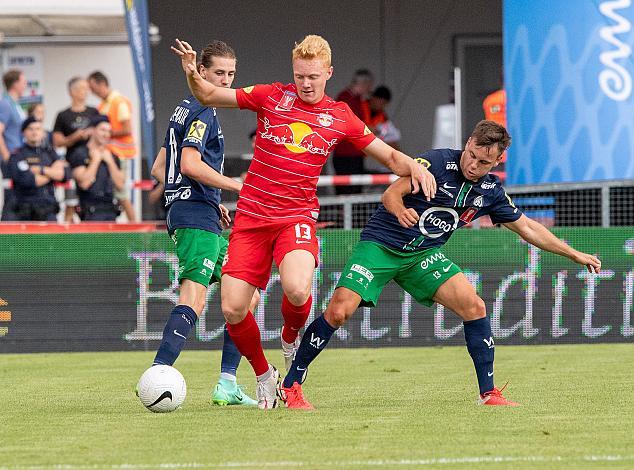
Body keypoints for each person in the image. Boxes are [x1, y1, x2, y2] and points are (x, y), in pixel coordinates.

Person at [172, 35, 436, 409]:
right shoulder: (270, 96)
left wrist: (419, 169)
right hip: (251, 216)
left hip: (295, 216)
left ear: (328, 72)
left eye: (313, 76)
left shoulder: (341, 115)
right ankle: (264, 377)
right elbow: (209, 96)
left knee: (297, 289)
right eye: (300, 76)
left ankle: (290, 336)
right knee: (232, 308)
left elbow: (390, 157)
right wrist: (188, 72)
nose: (306, 83)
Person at [282, 120, 602, 409]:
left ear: (497, 162)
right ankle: (292, 383)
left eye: (484, 162)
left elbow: (529, 227)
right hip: (380, 245)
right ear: (468, 143)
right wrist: (399, 211)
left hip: (423, 255)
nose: (474, 165)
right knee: (339, 311)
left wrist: (574, 254)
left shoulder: (490, 192)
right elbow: (391, 194)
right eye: (472, 155)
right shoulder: (435, 162)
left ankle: (488, 394)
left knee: (474, 306)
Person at [149, 40, 258, 406]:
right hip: (195, 215)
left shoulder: (181, 109)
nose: (226, 81)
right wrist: (233, 186)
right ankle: (157, 372)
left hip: (196, 211)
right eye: (219, 74)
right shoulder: (204, 110)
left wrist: (212, 200)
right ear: (203, 74)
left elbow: (159, 168)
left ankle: (227, 382)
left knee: (247, 293)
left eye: (231, 74)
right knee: (194, 298)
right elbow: (189, 165)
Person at [87, 71, 137, 222]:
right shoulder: (103, 104)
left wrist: (105, 133)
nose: (91, 91)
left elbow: (127, 128)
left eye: (93, 87)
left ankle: (137, 231)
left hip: (121, 153)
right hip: (107, 153)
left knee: (122, 194)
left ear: (101, 84)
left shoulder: (118, 102)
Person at [53, 77, 100, 222]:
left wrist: (93, 134)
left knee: (91, 195)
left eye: (86, 89)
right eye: (81, 88)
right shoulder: (63, 115)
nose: (85, 92)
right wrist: (74, 137)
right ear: (72, 92)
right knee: (71, 201)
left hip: (91, 159)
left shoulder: (93, 111)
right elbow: (57, 141)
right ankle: (69, 227)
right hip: (73, 160)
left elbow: (103, 131)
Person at [8, 117, 67, 221]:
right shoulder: (17, 155)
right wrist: (52, 173)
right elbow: (29, 181)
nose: (34, 132)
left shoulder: (50, 153)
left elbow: (64, 175)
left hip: (48, 210)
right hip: (26, 212)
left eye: (38, 129)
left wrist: (41, 170)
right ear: (23, 132)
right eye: (30, 129)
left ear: (43, 132)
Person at [67, 115, 125, 221]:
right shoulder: (79, 153)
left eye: (109, 131)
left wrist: (110, 162)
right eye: (102, 130)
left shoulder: (112, 156)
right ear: (92, 130)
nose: (106, 134)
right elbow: (84, 183)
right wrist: (95, 160)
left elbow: (120, 184)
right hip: (89, 212)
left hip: (110, 211)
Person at [332, 69, 374, 194]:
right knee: (347, 191)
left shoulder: (359, 100)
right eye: (369, 85)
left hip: (355, 152)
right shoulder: (345, 98)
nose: (369, 89)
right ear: (363, 84)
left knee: (356, 190)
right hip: (346, 154)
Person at [0, 69, 27, 221]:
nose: (25, 85)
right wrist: (7, 156)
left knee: (20, 197)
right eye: (23, 82)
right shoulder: (5, 104)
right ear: (15, 83)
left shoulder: (15, 104)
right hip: (11, 157)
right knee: (12, 198)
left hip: (19, 156)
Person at [365, 85, 401, 174]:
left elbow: (390, 138)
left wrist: (400, 157)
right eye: (381, 103)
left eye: (385, 104)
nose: (382, 106)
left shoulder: (382, 116)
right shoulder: (361, 107)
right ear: (374, 98)